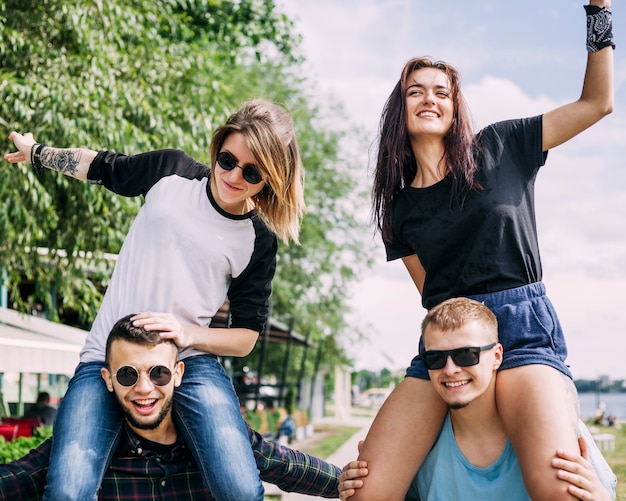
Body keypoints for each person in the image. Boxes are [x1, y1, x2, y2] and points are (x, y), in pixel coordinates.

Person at [356, 2, 615, 500]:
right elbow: (432, 298)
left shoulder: (504, 145)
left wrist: (599, 11)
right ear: (400, 109)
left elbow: (597, 103)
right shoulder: (399, 209)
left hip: (521, 329)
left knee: (559, 488)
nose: (429, 99)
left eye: (442, 91)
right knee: (368, 489)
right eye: (416, 91)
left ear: (456, 107)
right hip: (449, 339)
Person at [3, 98, 305, 500]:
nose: (234, 176)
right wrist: (37, 153)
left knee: (239, 487)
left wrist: (185, 333)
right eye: (228, 160)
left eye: (252, 172)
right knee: (67, 491)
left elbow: (246, 337)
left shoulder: (258, 238)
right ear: (217, 149)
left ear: (270, 179)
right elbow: (101, 166)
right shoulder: (171, 172)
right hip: (106, 359)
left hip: (186, 362)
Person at [0, 314, 341, 500]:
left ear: (178, 374)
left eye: (158, 373)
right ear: (107, 378)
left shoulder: (219, 446)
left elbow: (289, 466)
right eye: (128, 374)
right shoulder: (82, 451)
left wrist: (351, 482)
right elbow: (13, 480)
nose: (144, 388)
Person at [338, 298, 616, 500]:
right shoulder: (420, 449)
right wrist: (347, 483)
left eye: (466, 355)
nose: (450, 369)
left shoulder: (551, 433)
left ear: (496, 356)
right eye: (435, 359)